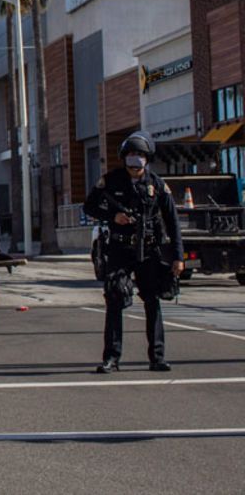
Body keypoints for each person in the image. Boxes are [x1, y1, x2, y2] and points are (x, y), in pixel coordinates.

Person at [83, 133, 183, 374]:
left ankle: (157, 357)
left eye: (139, 155)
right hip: (119, 248)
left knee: (152, 301)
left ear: (147, 158)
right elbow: (89, 206)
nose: (134, 159)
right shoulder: (111, 181)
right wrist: (112, 216)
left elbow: (173, 221)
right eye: (130, 154)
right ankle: (111, 358)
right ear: (123, 157)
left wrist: (178, 256)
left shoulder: (157, 184)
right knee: (115, 299)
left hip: (148, 250)